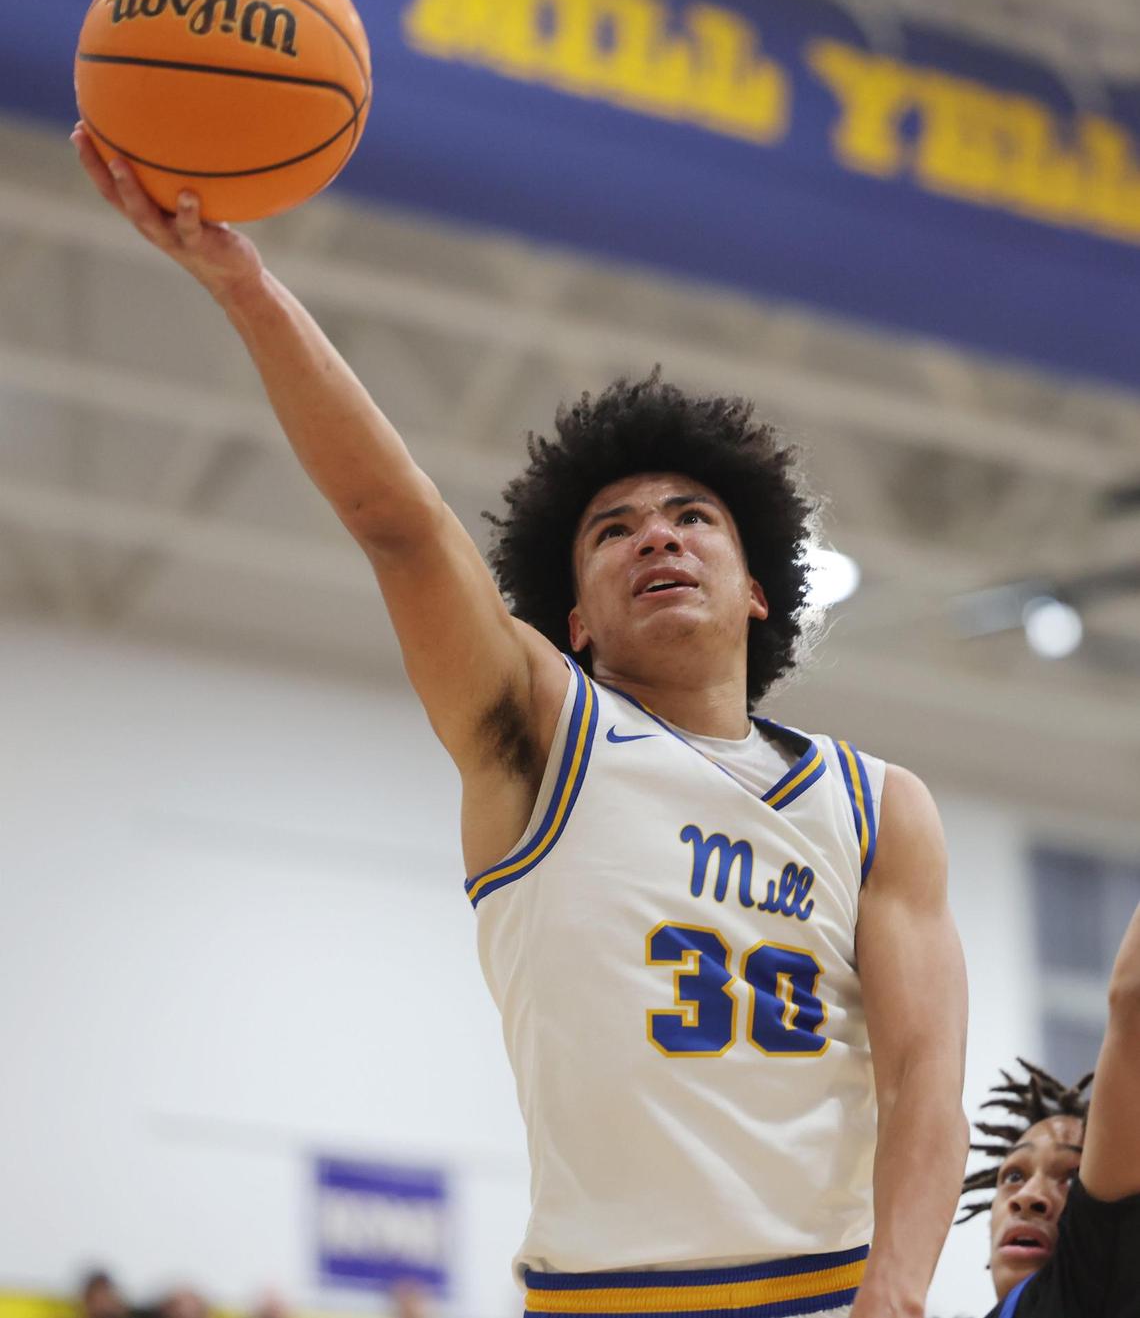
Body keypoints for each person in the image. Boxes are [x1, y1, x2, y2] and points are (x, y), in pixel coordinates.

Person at [72, 127, 969, 1318]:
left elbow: (924, 1077)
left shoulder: (877, 805)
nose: (657, 535)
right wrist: (246, 284)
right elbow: (398, 520)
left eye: (693, 516)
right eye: (614, 530)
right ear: (575, 620)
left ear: (758, 587)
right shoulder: (541, 731)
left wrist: (898, 1298)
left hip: (831, 1295)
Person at [957, 903, 1140, 1317]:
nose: (1029, 1197)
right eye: (1014, 1176)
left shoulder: (1090, 1282)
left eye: (1071, 1177)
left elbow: (1134, 998)